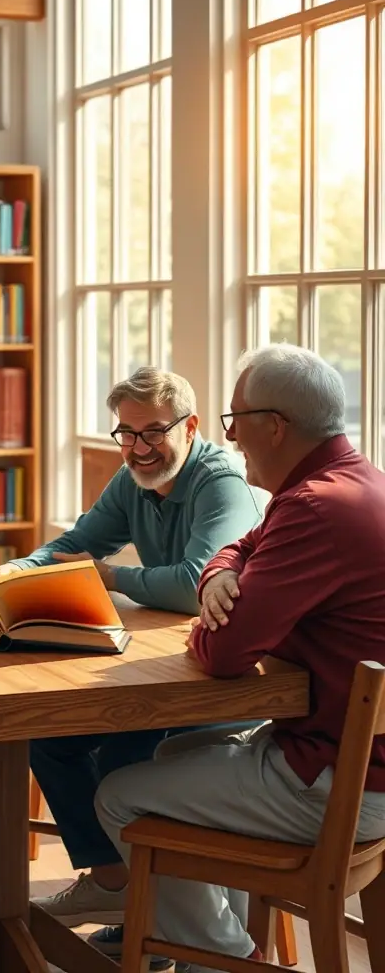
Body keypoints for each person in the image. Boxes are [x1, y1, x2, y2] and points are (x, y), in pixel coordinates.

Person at [94, 344, 385, 969]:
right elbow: (238, 549)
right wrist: (217, 577)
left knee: (119, 794)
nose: (231, 437)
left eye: (234, 419)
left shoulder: (311, 507)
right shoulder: (354, 484)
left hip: (337, 784)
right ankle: (223, 950)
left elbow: (224, 653)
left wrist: (212, 606)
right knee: (173, 753)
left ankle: (223, 959)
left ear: (273, 426)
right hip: (357, 764)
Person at [0, 367, 264, 943]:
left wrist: (112, 576)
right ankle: (118, 885)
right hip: (167, 664)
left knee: (125, 760)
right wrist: (23, 568)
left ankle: (164, 921)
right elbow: (74, 544)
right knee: (49, 738)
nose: (138, 448)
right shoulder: (133, 476)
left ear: (189, 426)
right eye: (126, 433)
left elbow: (193, 585)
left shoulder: (222, 482)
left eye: (152, 433)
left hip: (224, 681)